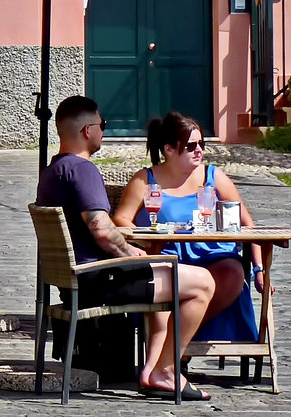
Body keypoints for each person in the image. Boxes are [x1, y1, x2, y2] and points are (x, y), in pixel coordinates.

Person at [36, 95, 217, 401]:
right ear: (87, 131)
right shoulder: (83, 170)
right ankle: (166, 370)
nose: (103, 131)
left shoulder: (53, 171)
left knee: (165, 271)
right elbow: (101, 230)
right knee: (202, 283)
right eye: (102, 125)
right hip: (100, 280)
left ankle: (153, 369)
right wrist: (130, 253)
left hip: (75, 281)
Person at [112, 112, 267, 345]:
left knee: (234, 273)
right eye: (191, 145)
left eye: (202, 144)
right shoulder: (146, 180)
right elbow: (121, 219)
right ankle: (174, 351)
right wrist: (145, 238)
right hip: (167, 255)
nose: (199, 150)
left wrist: (259, 269)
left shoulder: (213, 177)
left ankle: (175, 343)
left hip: (214, 255)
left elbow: (247, 224)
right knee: (163, 278)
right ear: (169, 149)